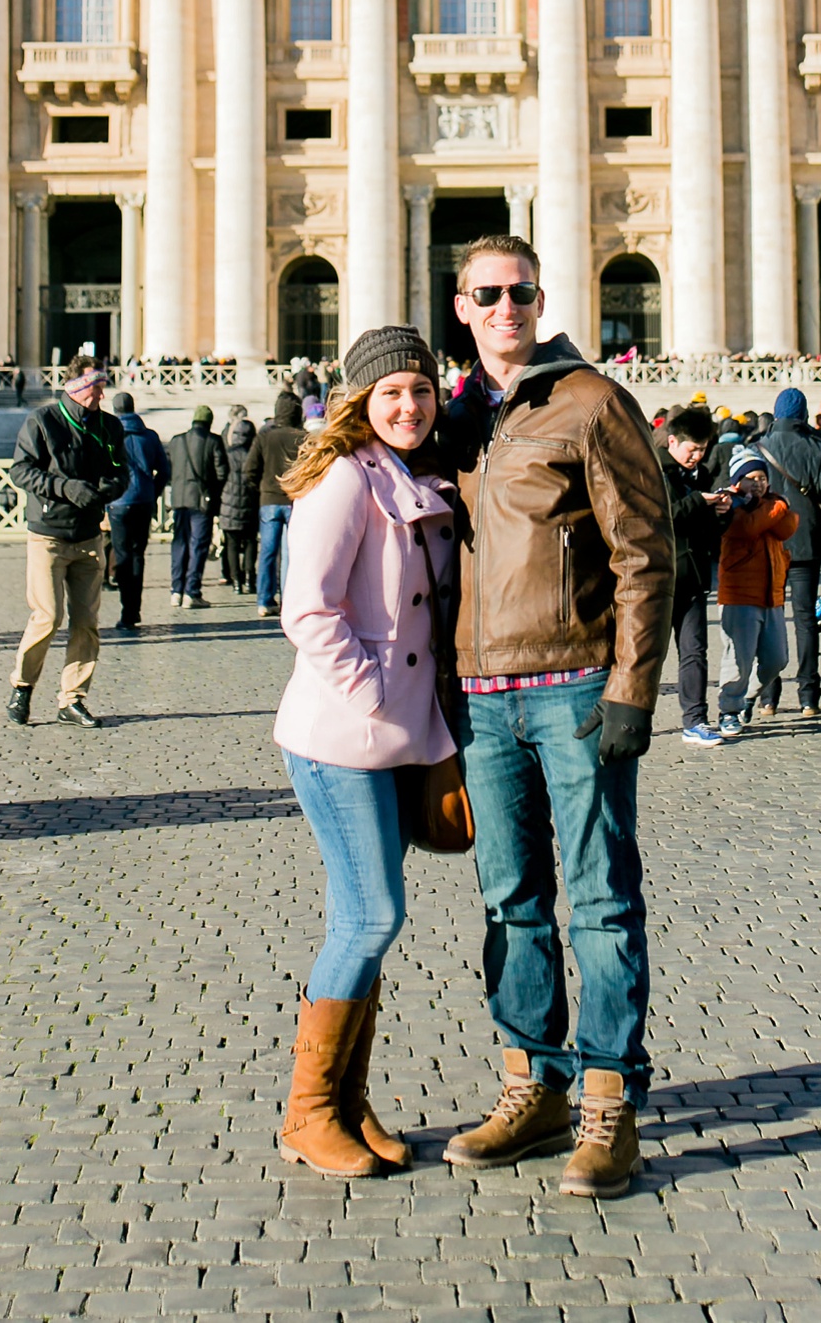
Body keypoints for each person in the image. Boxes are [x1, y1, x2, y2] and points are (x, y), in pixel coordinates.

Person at [440, 235, 675, 1202]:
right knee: (511, 900)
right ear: (462, 306)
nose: (507, 307)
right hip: (484, 696)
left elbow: (645, 550)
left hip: (577, 688)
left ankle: (609, 1102)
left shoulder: (590, 400)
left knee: (603, 898)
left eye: (522, 292)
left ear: (541, 299)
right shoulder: (452, 419)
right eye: (489, 294)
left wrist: (632, 688)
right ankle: (529, 1083)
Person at [274, 324, 457, 1177]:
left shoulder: (412, 475)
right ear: (361, 401)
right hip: (340, 739)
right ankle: (308, 1111)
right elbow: (306, 609)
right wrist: (375, 691)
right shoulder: (345, 480)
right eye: (391, 393)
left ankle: (348, 1102)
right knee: (370, 913)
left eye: (420, 390)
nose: (409, 405)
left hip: (391, 740)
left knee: (372, 917)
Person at [7, 358, 129, 727]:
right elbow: (20, 470)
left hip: (89, 534)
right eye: (96, 388)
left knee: (87, 622)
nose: (102, 394)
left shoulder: (110, 426)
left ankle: (72, 698)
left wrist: (106, 490)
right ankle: (23, 686)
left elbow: (121, 471)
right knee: (47, 617)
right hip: (47, 534)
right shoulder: (42, 421)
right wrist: (65, 488)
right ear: (77, 387)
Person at [757, 387, 821, 717]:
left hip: (768, 540)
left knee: (770, 618)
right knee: (804, 620)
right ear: (802, 415)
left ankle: (769, 695)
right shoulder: (816, 446)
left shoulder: (759, 446)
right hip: (805, 541)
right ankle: (808, 695)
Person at [713, 446, 799, 739]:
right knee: (738, 659)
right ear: (737, 481)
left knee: (777, 659)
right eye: (750, 477)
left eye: (762, 477)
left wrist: (775, 507)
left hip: (772, 595)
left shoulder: (769, 505)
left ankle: (748, 696)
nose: (758, 483)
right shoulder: (730, 504)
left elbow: (789, 526)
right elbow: (750, 527)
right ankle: (728, 711)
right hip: (739, 595)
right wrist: (778, 506)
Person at [659, 406, 725, 745]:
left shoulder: (699, 475)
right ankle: (633, 718)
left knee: (694, 651)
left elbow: (702, 527)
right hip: (657, 578)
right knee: (648, 655)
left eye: (702, 449)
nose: (697, 456)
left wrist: (718, 511)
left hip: (693, 576)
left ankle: (695, 719)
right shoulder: (654, 469)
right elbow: (663, 516)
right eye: (692, 449)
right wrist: (700, 501)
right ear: (673, 441)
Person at [106, 393, 169, 630]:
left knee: (122, 556)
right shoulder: (150, 436)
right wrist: (153, 493)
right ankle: (135, 609)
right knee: (138, 555)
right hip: (143, 500)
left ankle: (126, 610)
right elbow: (163, 471)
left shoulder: (110, 436)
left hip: (119, 502)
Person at [247, 389, 304, 616]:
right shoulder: (303, 437)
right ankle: (288, 599)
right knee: (291, 552)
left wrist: (261, 488)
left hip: (268, 499)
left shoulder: (264, 436)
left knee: (268, 552)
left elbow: (249, 469)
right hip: (294, 500)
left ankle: (264, 599)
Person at [168, 405, 227, 608]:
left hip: (179, 500)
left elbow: (170, 469)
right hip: (202, 502)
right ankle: (192, 591)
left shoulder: (176, 441)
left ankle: (176, 590)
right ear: (209, 422)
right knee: (198, 546)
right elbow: (221, 473)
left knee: (179, 545)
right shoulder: (213, 441)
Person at [218, 407, 258, 592]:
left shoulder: (228, 453)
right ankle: (249, 578)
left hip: (229, 503)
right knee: (250, 542)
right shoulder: (254, 454)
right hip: (250, 502)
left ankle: (236, 582)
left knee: (232, 544)